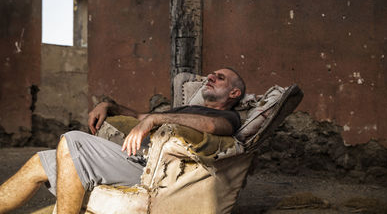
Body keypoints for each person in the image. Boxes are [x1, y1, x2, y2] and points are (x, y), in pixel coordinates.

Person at [0, 68, 246, 214]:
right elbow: (140, 116)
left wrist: (155, 120)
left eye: (220, 78)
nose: (211, 76)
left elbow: (215, 127)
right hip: (134, 157)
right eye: (212, 74)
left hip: (153, 171)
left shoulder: (227, 116)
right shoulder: (188, 109)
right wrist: (109, 105)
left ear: (233, 93)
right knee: (39, 162)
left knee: (74, 140)